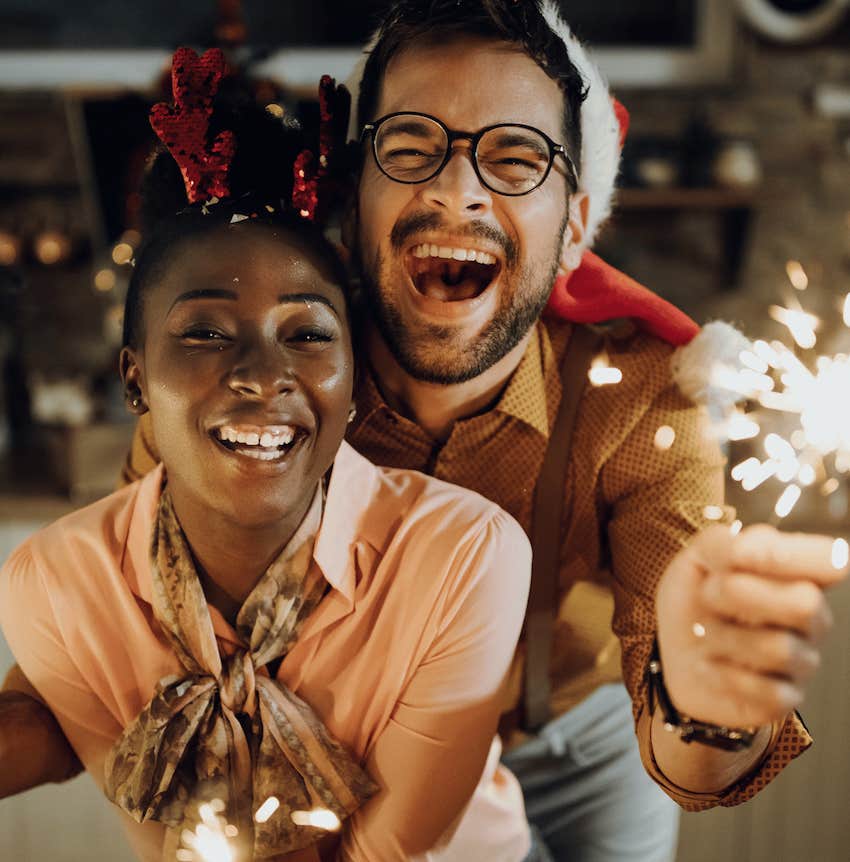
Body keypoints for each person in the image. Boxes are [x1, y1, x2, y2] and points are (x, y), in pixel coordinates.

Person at [4, 3, 848, 860]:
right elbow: (114, 629)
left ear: (572, 225)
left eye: (516, 157)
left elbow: (692, 733)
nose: (457, 188)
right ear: (354, 199)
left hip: (582, 745)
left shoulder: (639, 396)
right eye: (411, 148)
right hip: (364, 751)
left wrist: (703, 702)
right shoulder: (267, 395)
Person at [0, 49, 533, 862]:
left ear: (351, 379)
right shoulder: (60, 585)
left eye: (309, 334)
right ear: (135, 378)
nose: (260, 376)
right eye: (206, 332)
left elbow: (391, 853)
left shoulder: (464, 556)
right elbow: (173, 842)